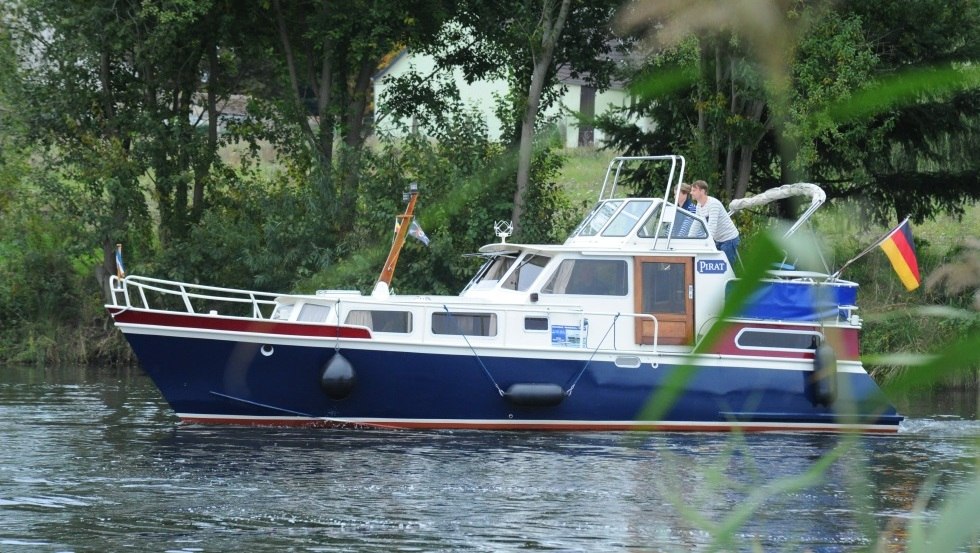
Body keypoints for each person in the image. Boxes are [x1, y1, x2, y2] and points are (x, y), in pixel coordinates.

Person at [690, 180, 740, 266]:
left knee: (727, 267)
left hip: (729, 239)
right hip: (718, 240)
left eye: (694, 190)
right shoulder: (699, 205)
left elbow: (712, 227)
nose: (691, 193)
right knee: (717, 267)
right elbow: (696, 223)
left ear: (702, 191)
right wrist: (690, 239)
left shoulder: (713, 204)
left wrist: (704, 243)